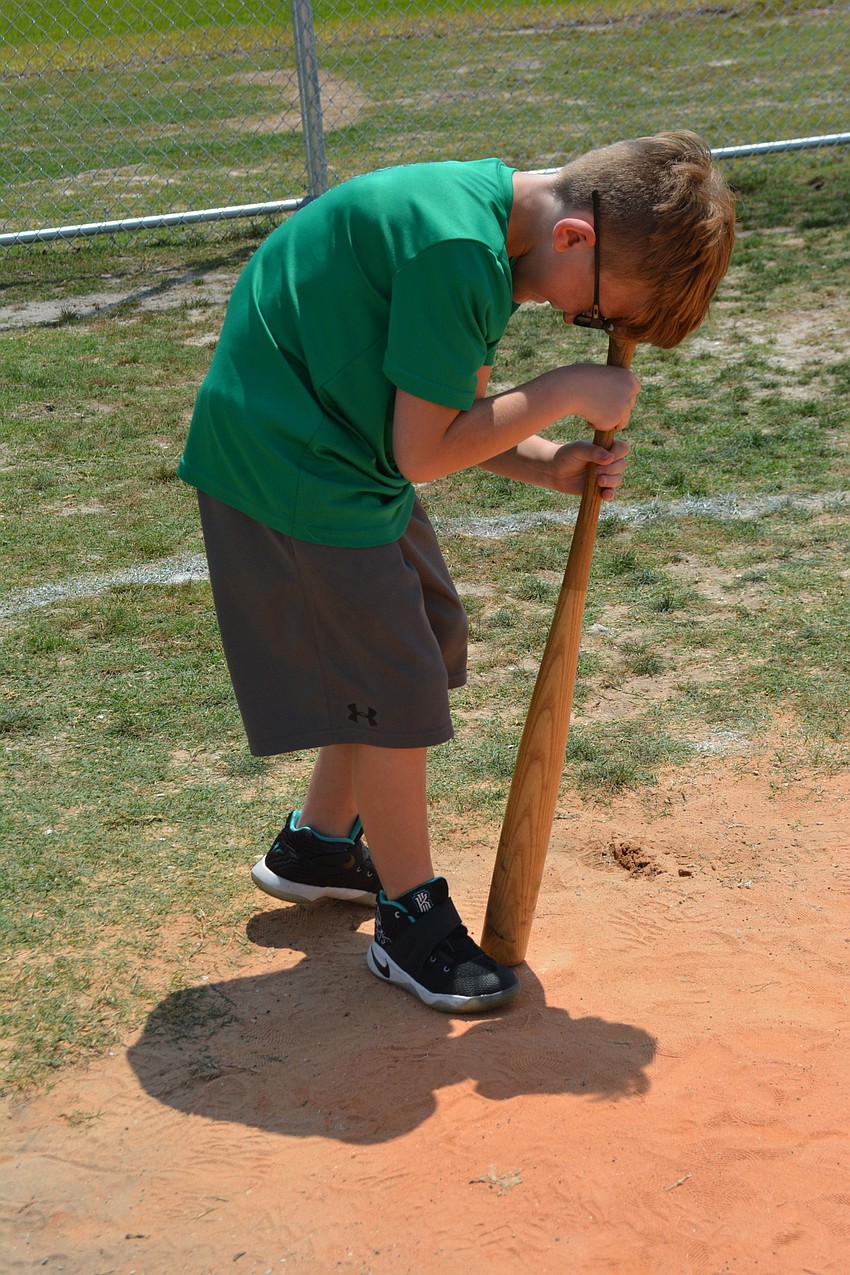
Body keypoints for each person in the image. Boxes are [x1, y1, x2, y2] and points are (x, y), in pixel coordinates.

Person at [178, 130, 735, 1014]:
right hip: (291, 462)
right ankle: (411, 920)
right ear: (577, 238)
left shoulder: (485, 220)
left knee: (423, 636)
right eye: (597, 315)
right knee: (395, 678)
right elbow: (426, 449)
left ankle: (319, 846)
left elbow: (440, 415)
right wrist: (561, 388)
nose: (578, 326)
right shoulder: (460, 255)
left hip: (336, 446)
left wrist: (548, 460)